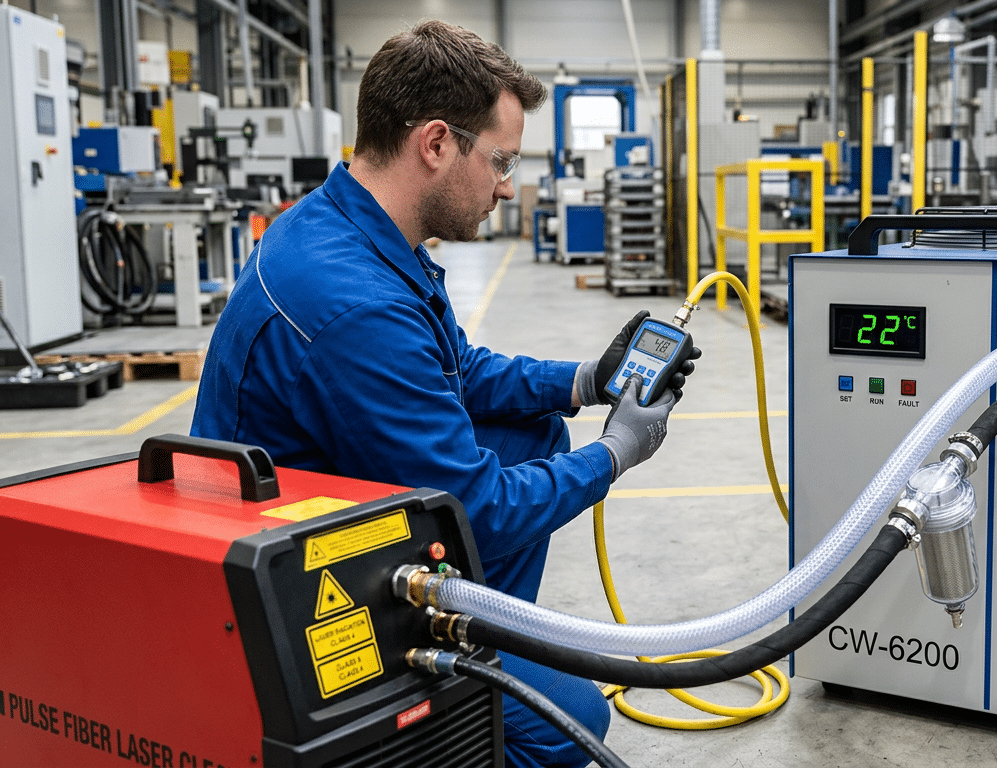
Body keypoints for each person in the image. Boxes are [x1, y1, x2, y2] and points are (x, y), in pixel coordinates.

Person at [190, 20, 698, 768]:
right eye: (500, 160)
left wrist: (585, 381)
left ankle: (474, 636)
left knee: (530, 433)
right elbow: (483, 512)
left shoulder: (357, 230)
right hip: (292, 572)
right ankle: (440, 721)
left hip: (326, 488)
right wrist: (615, 455)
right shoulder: (355, 304)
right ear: (436, 144)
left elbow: (456, 368)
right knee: (571, 721)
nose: (506, 184)